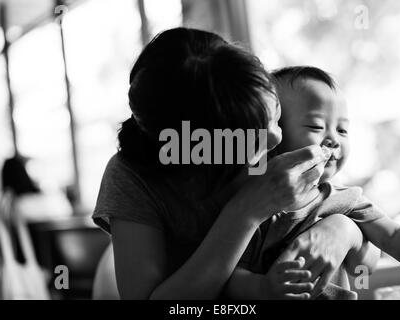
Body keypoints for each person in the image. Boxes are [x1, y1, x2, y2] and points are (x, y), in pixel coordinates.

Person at [92, 28, 378, 300]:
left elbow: (366, 259)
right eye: (254, 134)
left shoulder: (275, 150)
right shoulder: (131, 177)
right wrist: (245, 212)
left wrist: (342, 230)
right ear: (200, 144)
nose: (276, 138)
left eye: (276, 116)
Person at [227, 66, 400, 299]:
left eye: (342, 129)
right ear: (275, 134)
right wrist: (261, 288)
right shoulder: (254, 206)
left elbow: (392, 235)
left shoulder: (345, 199)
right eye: (316, 126)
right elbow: (228, 277)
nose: (334, 139)